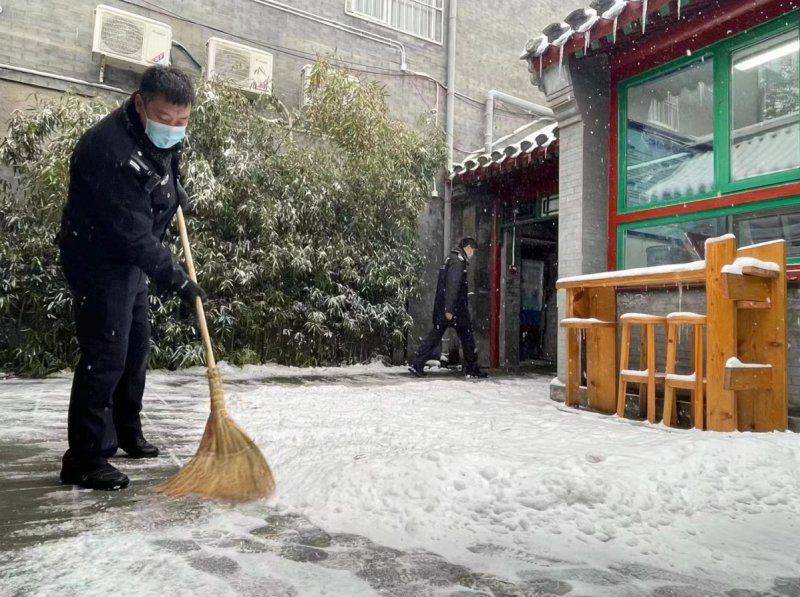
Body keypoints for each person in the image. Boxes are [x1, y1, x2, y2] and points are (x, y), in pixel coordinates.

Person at [58, 66, 206, 490]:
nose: (175, 130)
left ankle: (125, 429)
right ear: (141, 104)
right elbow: (134, 236)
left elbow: (165, 167)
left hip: (129, 260)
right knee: (105, 354)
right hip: (99, 259)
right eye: (167, 119)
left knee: (135, 346)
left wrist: (176, 193)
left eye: (183, 122)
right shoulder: (110, 150)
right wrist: (177, 280)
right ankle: (85, 458)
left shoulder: (156, 134)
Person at [408, 237, 487, 379]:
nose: (472, 254)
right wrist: (449, 309)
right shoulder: (458, 262)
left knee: (436, 336)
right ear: (468, 247)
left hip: (448, 307)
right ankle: (472, 368)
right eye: (473, 251)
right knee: (467, 337)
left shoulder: (451, 258)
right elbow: (453, 286)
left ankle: (417, 364)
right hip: (455, 310)